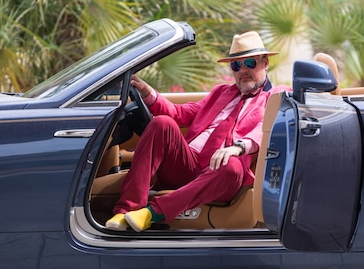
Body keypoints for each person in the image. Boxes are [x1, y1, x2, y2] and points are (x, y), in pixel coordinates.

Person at [106, 31, 287, 231]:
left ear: (265, 63)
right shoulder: (221, 92)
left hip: (221, 173)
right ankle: (125, 211)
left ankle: (152, 213)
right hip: (189, 162)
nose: (243, 70)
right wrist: (148, 93)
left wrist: (238, 148)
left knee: (232, 167)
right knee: (162, 123)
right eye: (236, 65)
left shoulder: (277, 95)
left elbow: (268, 129)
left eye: (250, 63)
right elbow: (180, 113)